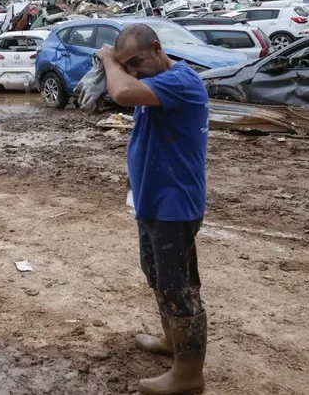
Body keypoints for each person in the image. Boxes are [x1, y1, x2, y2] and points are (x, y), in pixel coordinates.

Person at [96, 24, 209, 395]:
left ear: (157, 48)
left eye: (135, 62)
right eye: (127, 65)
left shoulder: (181, 81)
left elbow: (122, 92)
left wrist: (109, 60)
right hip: (153, 200)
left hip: (174, 206)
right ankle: (171, 341)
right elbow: (144, 135)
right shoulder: (157, 85)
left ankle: (189, 375)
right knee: (157, 275)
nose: (132, 71)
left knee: (179, 287)